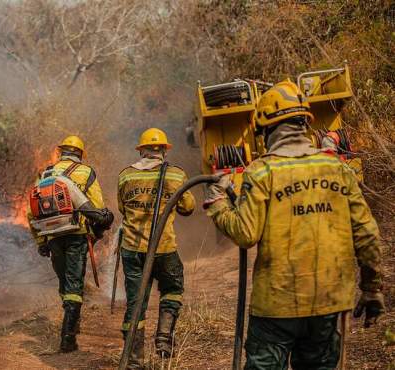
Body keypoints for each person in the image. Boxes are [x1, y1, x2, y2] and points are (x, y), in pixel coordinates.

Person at [203, 80, 385, 370]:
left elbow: (245, 233)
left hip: (276, 305)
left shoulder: (262, 171)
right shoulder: (338, 168)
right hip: (328, 302)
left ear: (264, 128)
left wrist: (217, 203)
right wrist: (372, 288)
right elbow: (366, 233)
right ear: (306, 123)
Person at [117, 128, 195, 368]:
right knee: (172, 287)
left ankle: (134, 360)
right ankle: (163, 338)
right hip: (163, 247)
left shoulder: (126, 176)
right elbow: (188, 207)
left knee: (135, 302)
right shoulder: (176, 175)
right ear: (163, 150)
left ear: (141, 150)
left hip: (132, 248)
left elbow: (122, 208)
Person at [27, 135, 113, 353]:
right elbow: (98, 207)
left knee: (65, 283)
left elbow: (32, 212)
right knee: (74, 285)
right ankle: (68, 338)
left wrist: (41, 241)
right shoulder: (85, 172)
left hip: (52, 236)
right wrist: (97, 232)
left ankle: (71, 324)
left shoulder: (46, 173)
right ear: (80, 154)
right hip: (76, 234)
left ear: (61, 152)